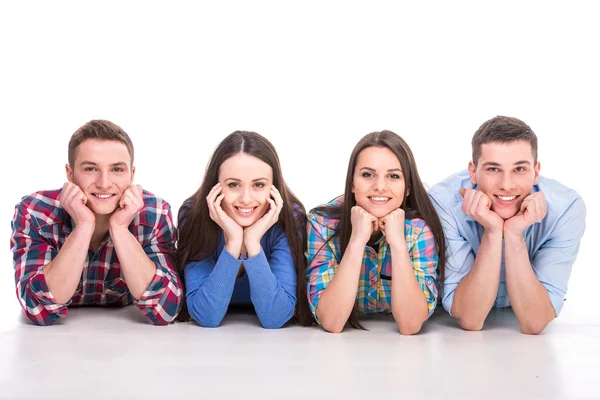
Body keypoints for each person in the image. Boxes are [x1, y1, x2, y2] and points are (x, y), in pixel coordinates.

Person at [10, 120, 183, 326]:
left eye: (117, 170)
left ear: (131, 175)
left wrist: (119, 228)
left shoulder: (155, 213)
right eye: (91, 169)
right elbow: (38, 309)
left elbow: (167, 309)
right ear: (70, 174)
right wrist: (83, 225)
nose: (104, 183)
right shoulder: (36, 213)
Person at [428, 116, 586, 334]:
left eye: (519, 169)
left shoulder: (566, 209)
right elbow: (469, 317)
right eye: (493, 169)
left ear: (536, 172)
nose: (506, 185)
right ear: (473, 172)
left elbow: (534, 322)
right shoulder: (443, 202)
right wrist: (492, 232)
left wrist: (513, 233)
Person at [306, 130, 445, 334]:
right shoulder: (322, 224)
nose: (380, 186)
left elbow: (410, 325)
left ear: (407, 188)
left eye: (393, 176)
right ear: (352, 184)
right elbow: (331, 321)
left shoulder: (419, 228)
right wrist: (356, 241)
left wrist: (398, 244)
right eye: (367, 175)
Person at [176, 131, 313, 328]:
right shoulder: (193, 216)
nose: (246, 198)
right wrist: (233, 243)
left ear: (273, 188)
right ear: (215, 187)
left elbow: (276, 317)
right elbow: (206, 316)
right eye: (233, 185)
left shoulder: (290, 218)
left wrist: (252, 243)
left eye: (258, 185)